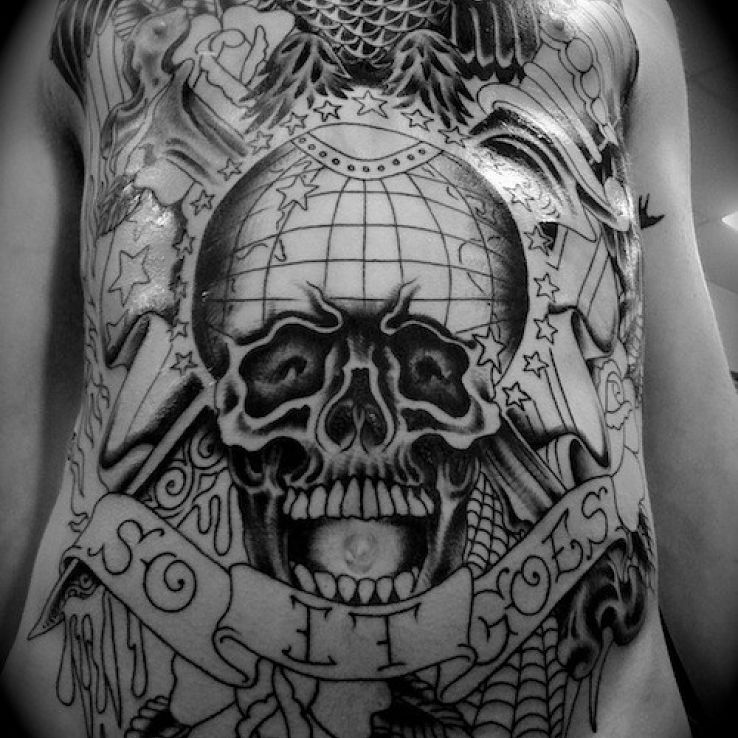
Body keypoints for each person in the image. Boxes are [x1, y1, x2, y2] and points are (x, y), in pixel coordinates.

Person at [0, 1, 736, 736]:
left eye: (426, 372)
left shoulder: (627, 12)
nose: (360, 424)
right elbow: (14, 434)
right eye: (292, 366)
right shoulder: (72, 19)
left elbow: (691, 440)